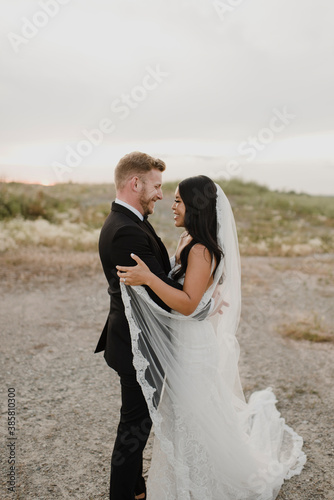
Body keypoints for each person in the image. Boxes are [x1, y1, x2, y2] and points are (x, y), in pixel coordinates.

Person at [116, 175, 306, 500]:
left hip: (192, 348)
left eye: (178, 200)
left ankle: (208, 486)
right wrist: (210, 295)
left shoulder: (202, 250)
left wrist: (148, 278)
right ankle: (184, 483)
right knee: (184, 418)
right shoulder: (189, 240)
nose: (172, 205)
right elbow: (196, 293)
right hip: (183, 342)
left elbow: (188, 304)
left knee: (195, 418)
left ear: (196, 206)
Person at [94, 151, 182, 500]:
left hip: (132, 340)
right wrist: (197, 288)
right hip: (137, 346)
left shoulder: (128, 222)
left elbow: (154, 275)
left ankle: (137, 491)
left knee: (136, 425)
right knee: (133, 432)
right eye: (157, 186)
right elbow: (161, 295)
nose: (161, 194)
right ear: (135, 183)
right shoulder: (125, 232)